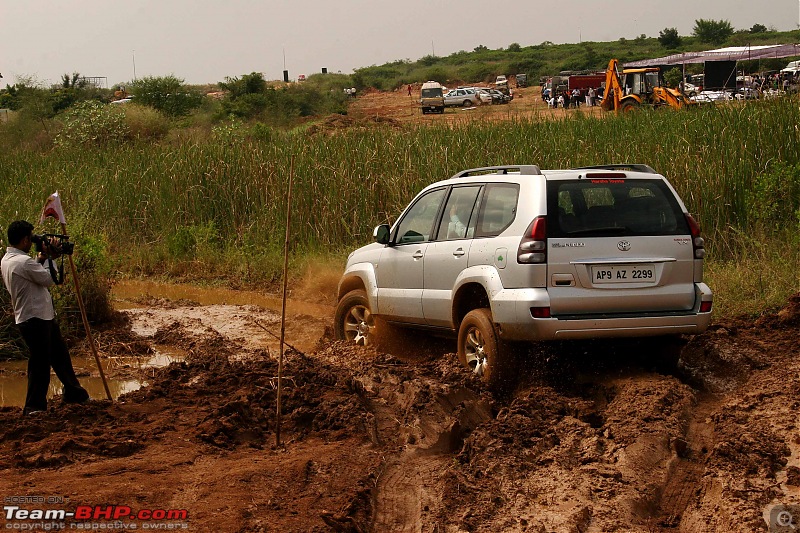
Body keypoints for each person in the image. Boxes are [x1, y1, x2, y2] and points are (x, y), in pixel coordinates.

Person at [1, 220, 89, 415]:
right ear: (25, 240)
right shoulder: (22, 262)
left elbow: (33, 272)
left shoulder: (8, 259)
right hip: (35, 319)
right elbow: (48, 279)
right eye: (31, 238)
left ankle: (74, 392)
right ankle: (33, 407)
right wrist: (51, 258)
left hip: (38, 316)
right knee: (40, 363)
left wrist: (42, 257)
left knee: (59, 356)